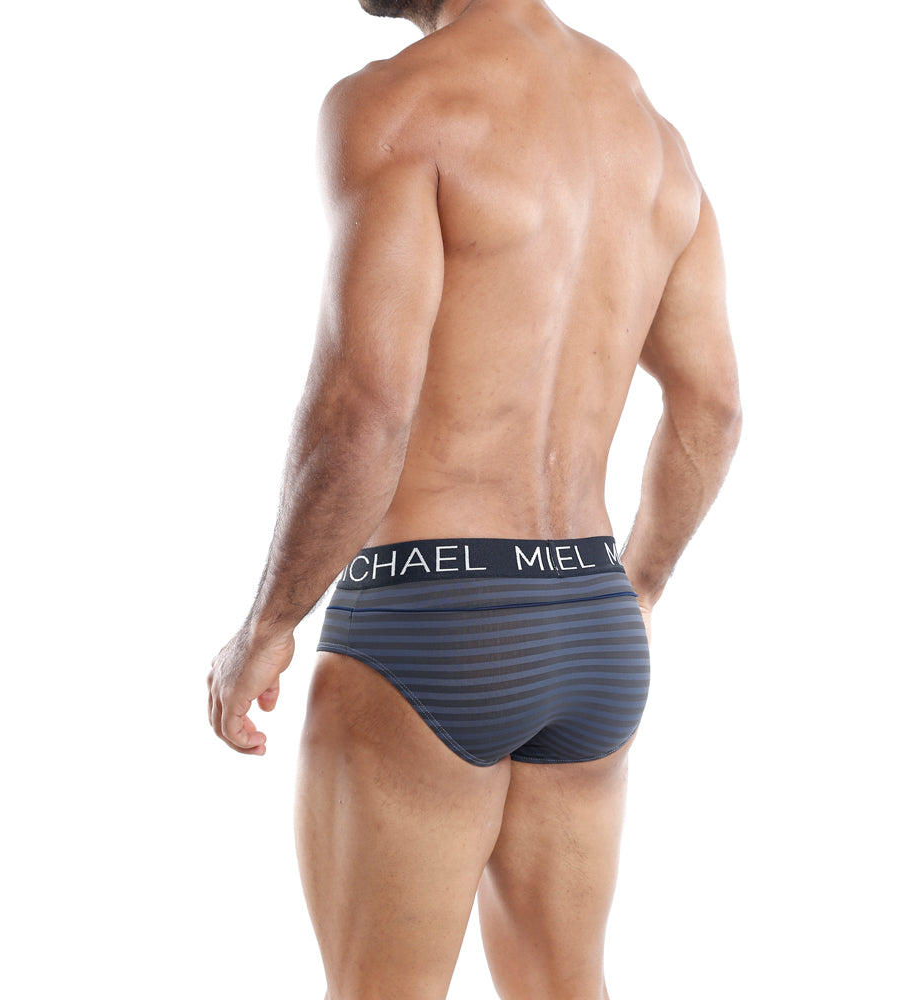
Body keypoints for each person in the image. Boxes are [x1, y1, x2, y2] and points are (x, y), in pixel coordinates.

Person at [207, 0, 741, 996]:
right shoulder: (654, 140)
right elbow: (711, 403)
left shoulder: (400, 104)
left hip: (433, 623)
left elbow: (365, 408)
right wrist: (641, 584)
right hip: (592, 627)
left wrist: (268, 624)